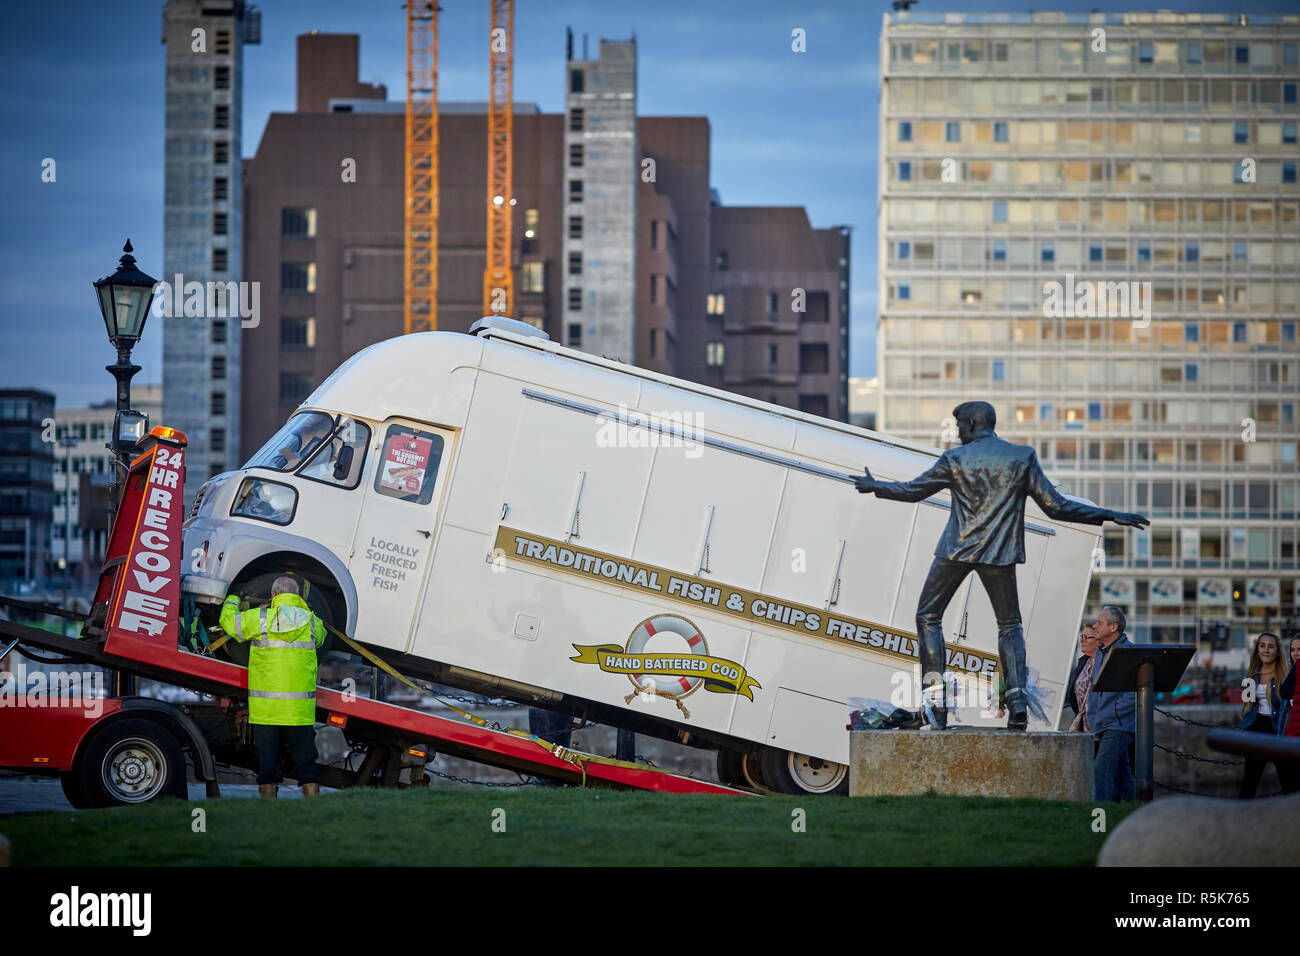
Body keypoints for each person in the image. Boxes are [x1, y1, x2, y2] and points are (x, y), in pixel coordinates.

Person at [854, 400, 1148, 730]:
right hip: (999, 552)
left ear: (972, 423)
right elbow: (1057, 506)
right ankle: (1018, 701)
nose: (957, 432)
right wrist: (1108, 515)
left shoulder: (954, 459)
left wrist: (875, 486)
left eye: (959, 425)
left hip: (957, 549)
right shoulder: (1021, 458)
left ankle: (936, 704)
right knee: (1009, 626)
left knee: (928, 616)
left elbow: (912, 491)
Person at [219, 576, 326, 799]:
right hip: (299, 712)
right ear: (297, 597)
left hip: (267, 709)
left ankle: (269, 808)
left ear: (274, 595)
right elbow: (322, 640)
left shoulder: (261, 618)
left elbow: (229, 623)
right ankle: (314, 806)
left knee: (267, 762)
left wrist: (232, 599)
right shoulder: (312, 622)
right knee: (307, 762)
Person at [1088, 605, 1136, 802]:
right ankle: (1136, 814)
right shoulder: (1101, 651)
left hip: (1117, 726)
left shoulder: (1128, 653)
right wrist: (1095, 717)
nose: (1095, 626)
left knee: (1102, 772)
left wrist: (1111, 714)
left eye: (1099, 622)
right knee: (1123, 777)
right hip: (1105, 724)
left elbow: (1134, 693)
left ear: (1113, 627)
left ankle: (1099, 824)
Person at [1238, 631, 1289, 798]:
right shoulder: (1252, 675)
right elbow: (1247, 708)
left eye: (1271, 646)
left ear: (1277, 651)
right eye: (1262, 646)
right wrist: (1245, 729)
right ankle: (1243, 818)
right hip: (1256, 728)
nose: (1266, 650)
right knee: (1249, 783)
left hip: (1277, 730)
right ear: (1257, 650)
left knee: (1288, 782)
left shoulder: (1285, 677)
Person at [1277, 635, 1300, 795]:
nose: (1295, 653)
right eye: (1293, 650)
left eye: (1299, 649)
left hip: (1293, 736)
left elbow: (1284, 692)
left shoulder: (1295, 671)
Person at [1066, 623, 1099, 733]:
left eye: (1086, 637)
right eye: (1081, 637)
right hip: (1083, 726)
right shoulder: (1083, 662)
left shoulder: (1106, 663)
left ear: (1098, 640)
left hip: (1101, 726)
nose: (1082, 641)